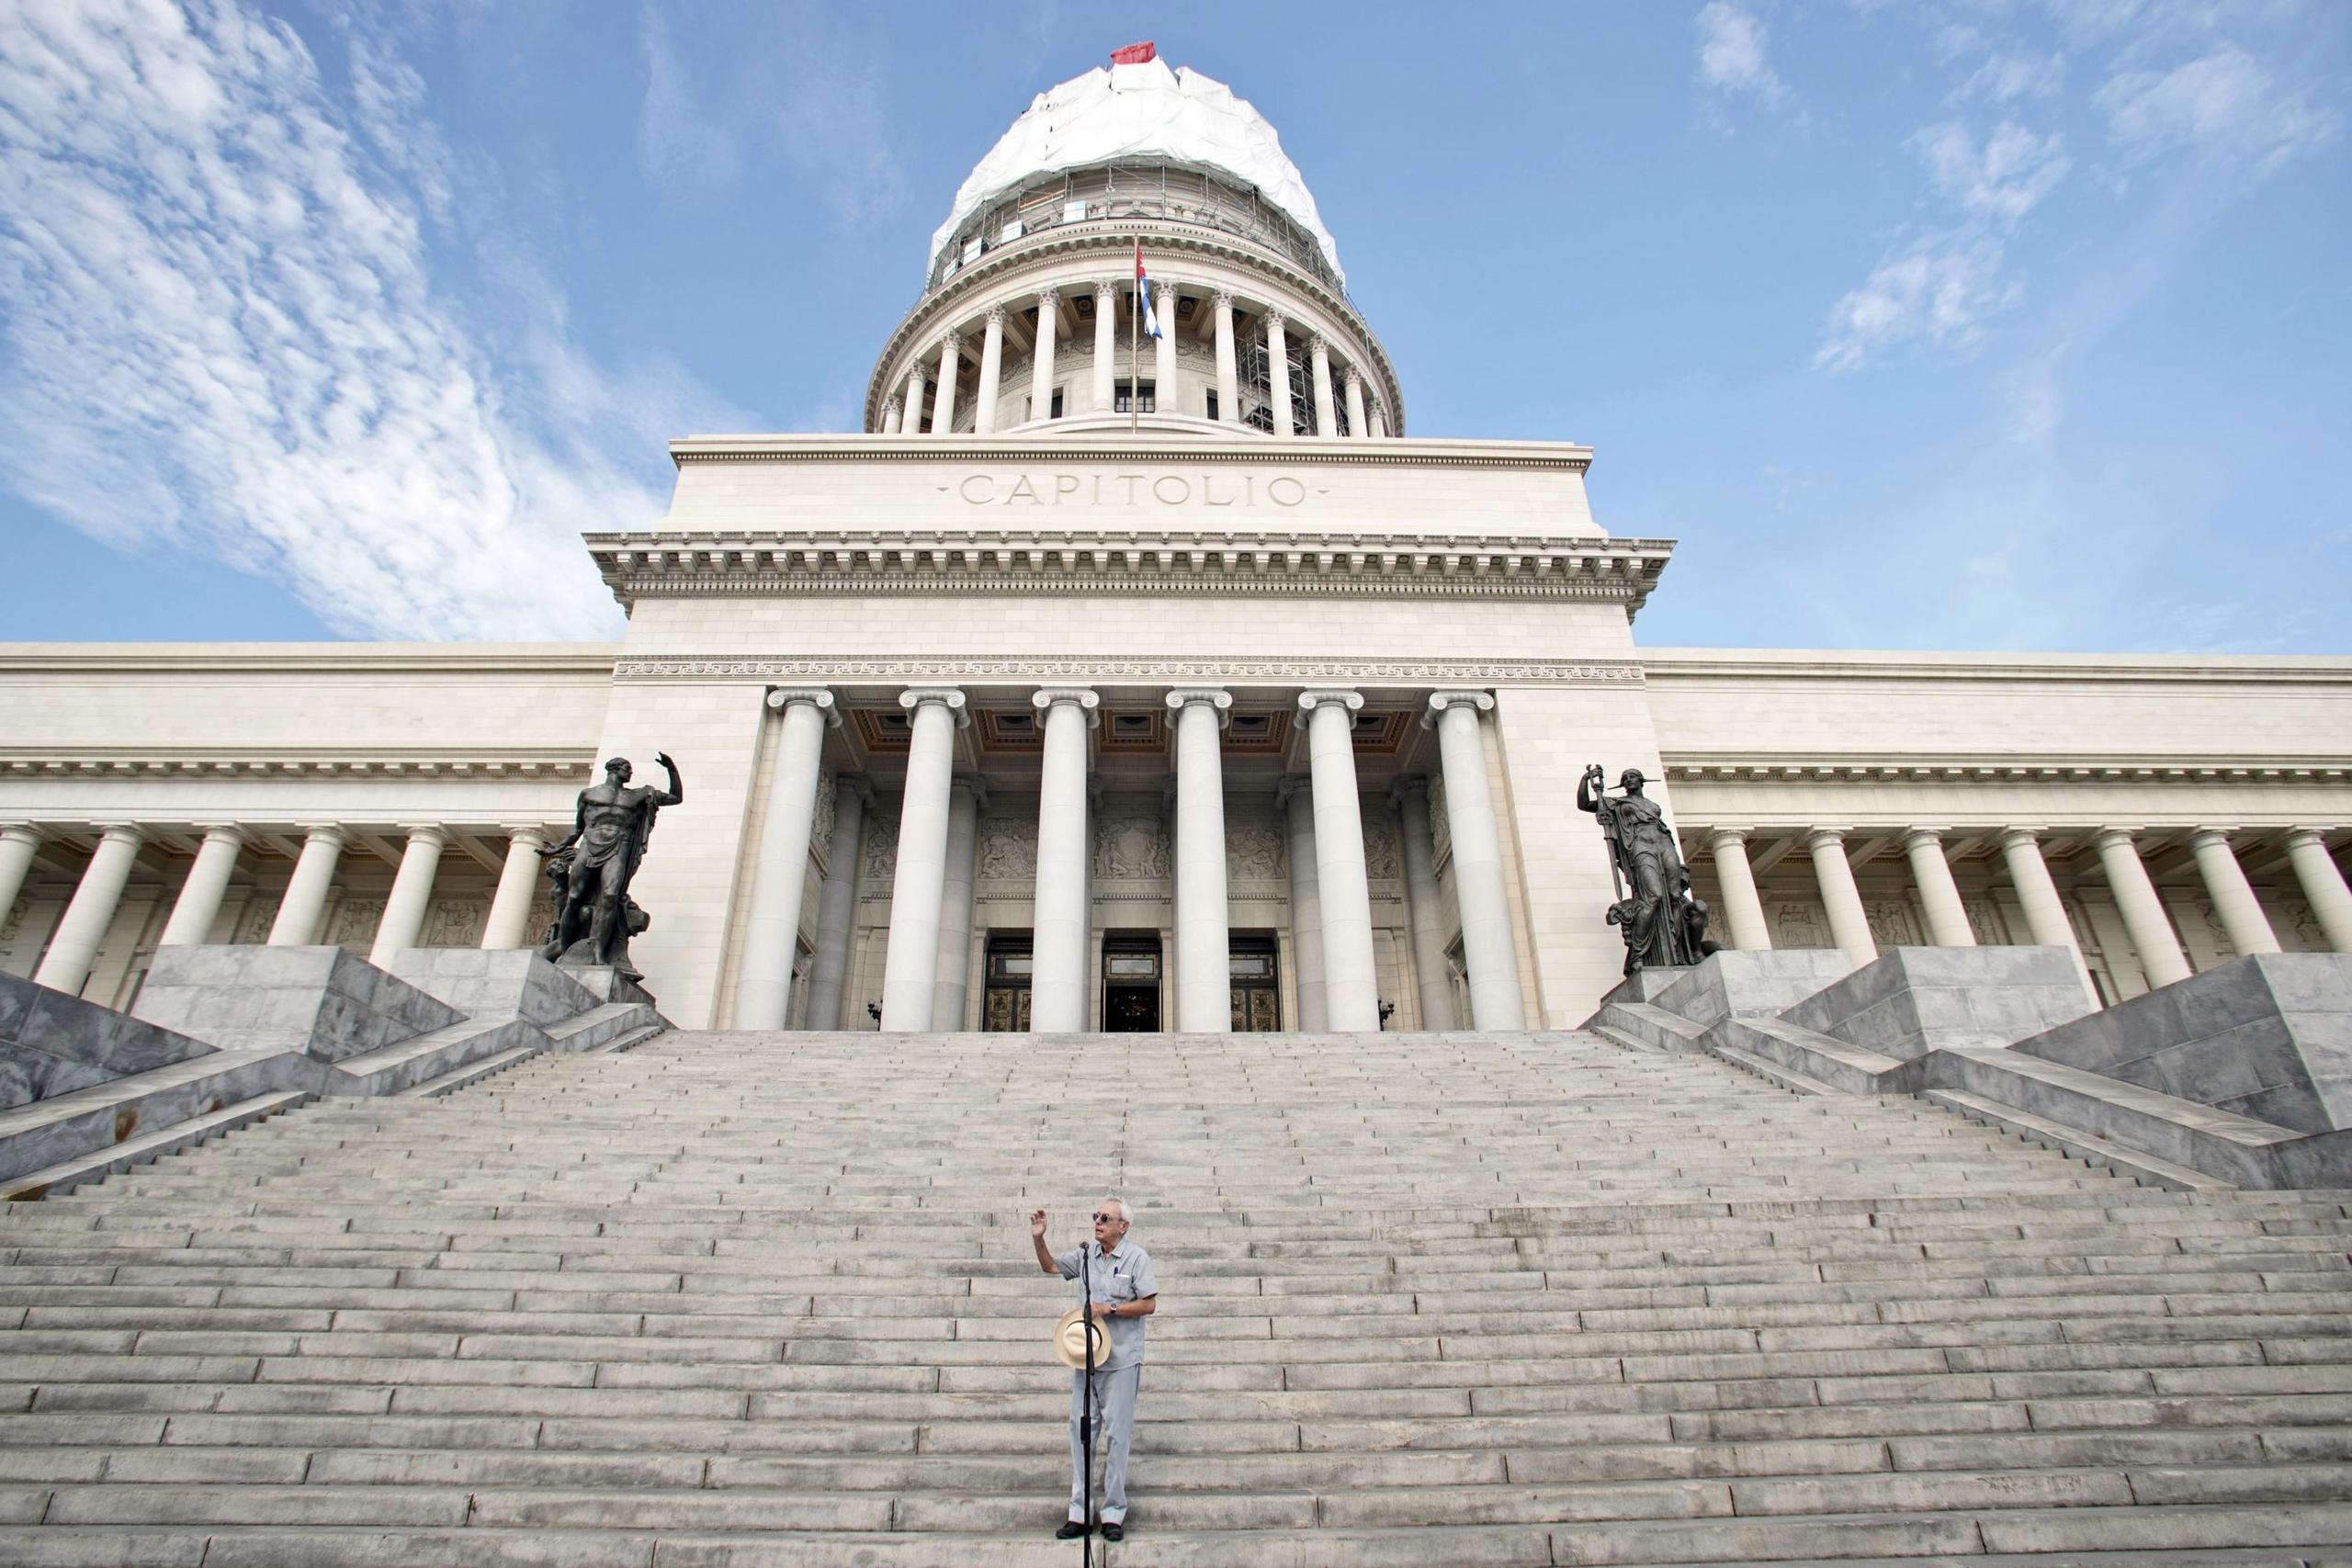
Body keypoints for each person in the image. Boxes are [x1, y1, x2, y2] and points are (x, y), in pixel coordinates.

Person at [1032, 1199, 1158, 1540]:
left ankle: (1114, 1512)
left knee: (1118, 1436)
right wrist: (1039, 1238)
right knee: (1081, 1431)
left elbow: (1149, 1302)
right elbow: (1051, 1267)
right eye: (1095, 1217)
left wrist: (1110, 1307)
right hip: (1086, 1358)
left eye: (1105, 1218)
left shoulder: (1137, 1258)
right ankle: (1080, 1511)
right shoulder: (1086, 1254)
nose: (1098, 1222)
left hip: (1120, 1360)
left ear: (1123, 1226)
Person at [541, 751, 682, 976]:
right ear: (614, 769)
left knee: (609, 896)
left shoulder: (637, 795)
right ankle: (567, 951)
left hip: (619, 844)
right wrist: (556, 848)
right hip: (590, 844)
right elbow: (578, 829)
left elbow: (676, 797)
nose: (630, 773)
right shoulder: (588, 794)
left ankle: (598, 953)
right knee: (575, 898)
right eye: (627, 769)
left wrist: (671, 769)